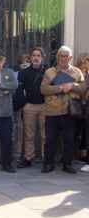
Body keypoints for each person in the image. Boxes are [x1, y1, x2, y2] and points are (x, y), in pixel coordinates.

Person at [40, 46, 86, 174]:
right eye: (61, 55)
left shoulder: (77, 72)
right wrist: (60, 88)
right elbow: (43, 89)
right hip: (52, 111)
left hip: (70, 111)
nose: (63, 58)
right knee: (50, 139)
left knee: (69, 139)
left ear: (70, 58)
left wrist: (72, 85)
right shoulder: (50, 72)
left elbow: (83, 88)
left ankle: (68, 164)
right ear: (57, 57)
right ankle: (48, 164)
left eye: (66, 56)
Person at [16, 47, 47, 168]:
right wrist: (24, 104)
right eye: (34, 55)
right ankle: (28, 158)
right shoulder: (24, 72)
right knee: (29, 135)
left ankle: (46, 158)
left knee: (45, 134)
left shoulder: (48, 72)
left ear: (42, 58)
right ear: (30, 57)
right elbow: (19, 90)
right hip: (29, 106)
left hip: (45, 106)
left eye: (38, 55)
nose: (35, 58)